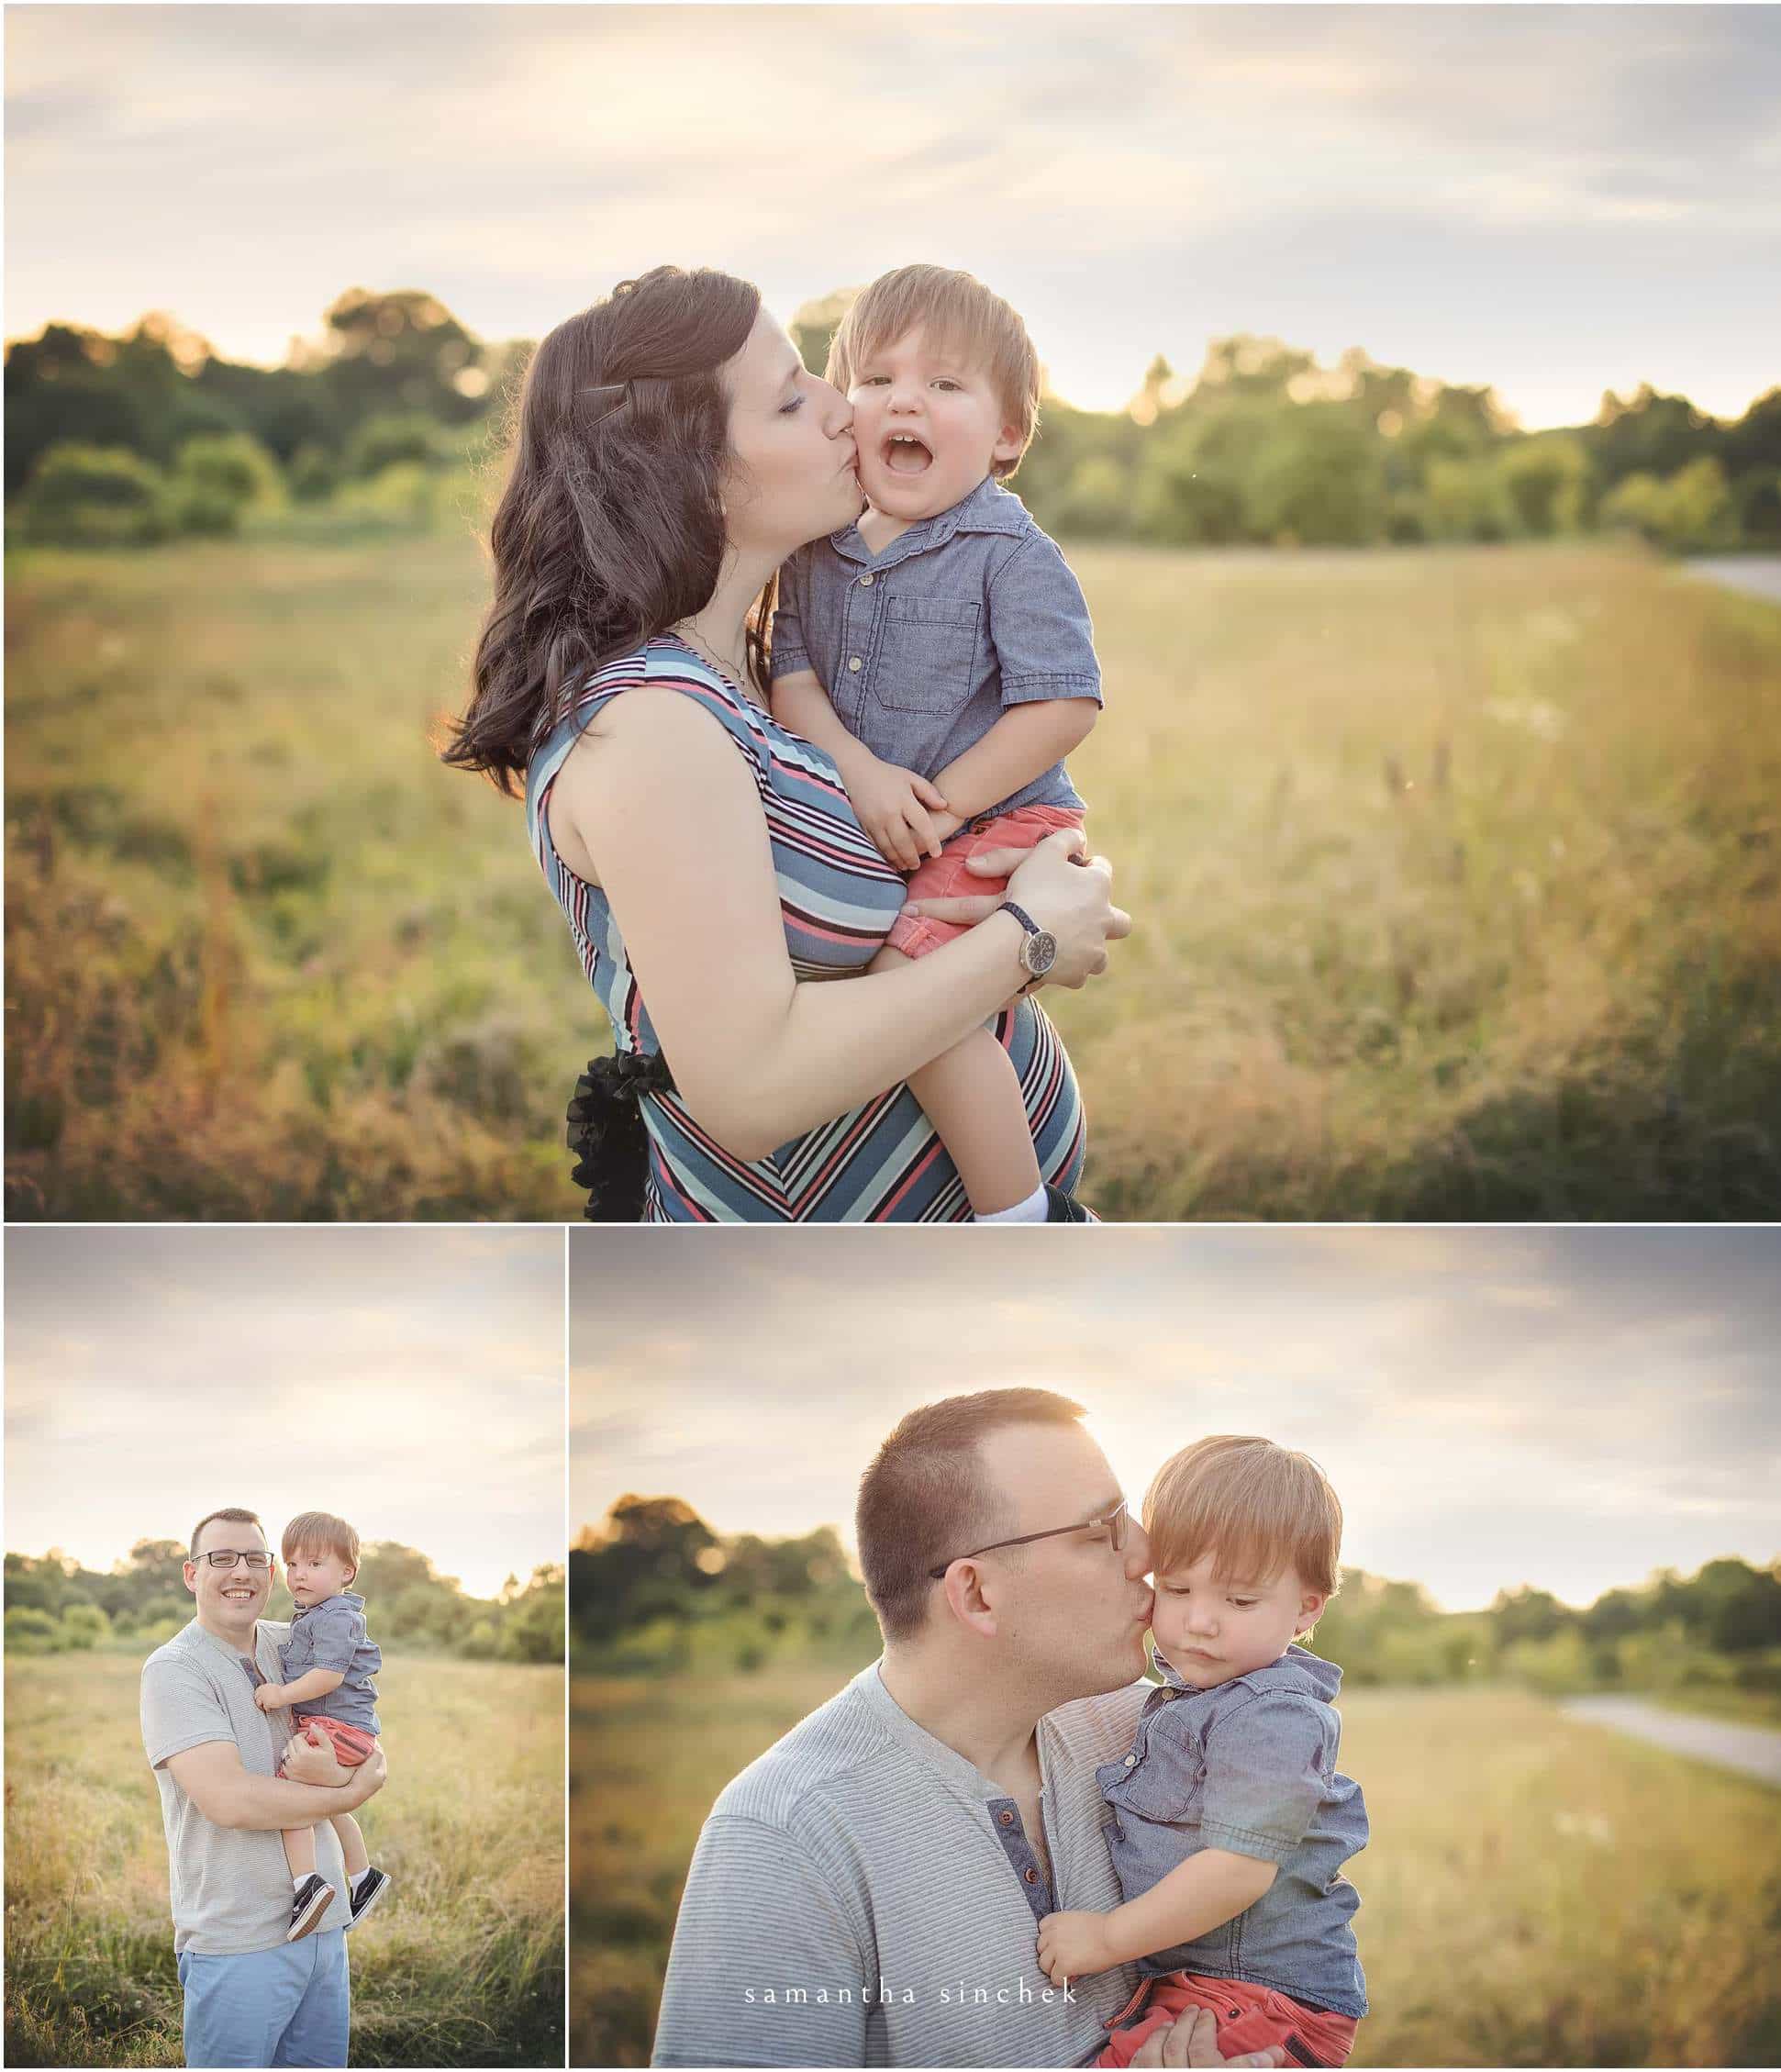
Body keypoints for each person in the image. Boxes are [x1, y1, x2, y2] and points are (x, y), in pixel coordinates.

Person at [442, 265, 1130, 1222]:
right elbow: (750, 1088)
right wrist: (1029, 937)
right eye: (792, 398)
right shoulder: (647, 728)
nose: (846, 412)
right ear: (693, 470)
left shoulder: (756, 672)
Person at [651, 1391, 1287, 2070]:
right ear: (977, 1593)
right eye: (1101, 1530)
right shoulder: (788, 1835)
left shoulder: (1156, 1729)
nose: (1146, 1553)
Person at [772, 265, 1102, 1223]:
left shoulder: (1007, 551)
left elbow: (1062, 701)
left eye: (945, 384)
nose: (903, 397)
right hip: (886, 806)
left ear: (1005, 434)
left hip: (998, 816)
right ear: (843, 410)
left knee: (907, 979)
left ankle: (1017, 1211)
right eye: (875, 379)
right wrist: (861, 773)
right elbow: (790, 673)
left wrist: (944, 802)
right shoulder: (816, 546)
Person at [1036, 1439, 1368, 2067]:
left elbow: (1239, 1868)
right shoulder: (1192, 1697)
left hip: (1262, 1999)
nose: (1199, 1622)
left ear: (1307, 1607)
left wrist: (1109, 1937)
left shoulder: (1272, 1714)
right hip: (1218, 1989)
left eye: (1239, 1600)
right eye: (1179, 1588)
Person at [139, 1508, 388, 2068]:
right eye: (221, 1559)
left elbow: (372, 1746)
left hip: (325, 1932)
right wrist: (346, 1794)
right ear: (190, 1574)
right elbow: (231, 1802)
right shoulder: (175, 1669)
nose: (240, 1572)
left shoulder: (296, 1639)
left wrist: (352, 1772)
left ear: (272, 1574)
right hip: (239, 1941)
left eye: (255, 1559)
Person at [250, 1511, 390, 1941]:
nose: (298, 1575)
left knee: (292, 1797)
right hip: (340, 1726)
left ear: (347, 1572)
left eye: (314, 1564)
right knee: (324, 1802)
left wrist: (279, 1695)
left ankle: (306, 1885)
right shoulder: (315, 1615)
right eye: (292, 1564)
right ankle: (362, 1875)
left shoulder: (335, 1617)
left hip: (336, 1727)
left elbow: (328, 1676)